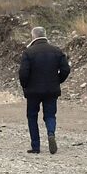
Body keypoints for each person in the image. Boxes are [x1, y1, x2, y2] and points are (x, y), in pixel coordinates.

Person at [18, 26, 70, 154]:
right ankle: (51, 133)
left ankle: (36, 147)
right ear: (45, 35)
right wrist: (58, 80)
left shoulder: (28, 52)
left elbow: (23, 73)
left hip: (33, 91)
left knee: (32, 117)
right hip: (51, 90)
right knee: (50, 115)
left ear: (33, 36)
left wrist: (25, 85)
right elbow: (66, 69)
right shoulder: (57, 51)